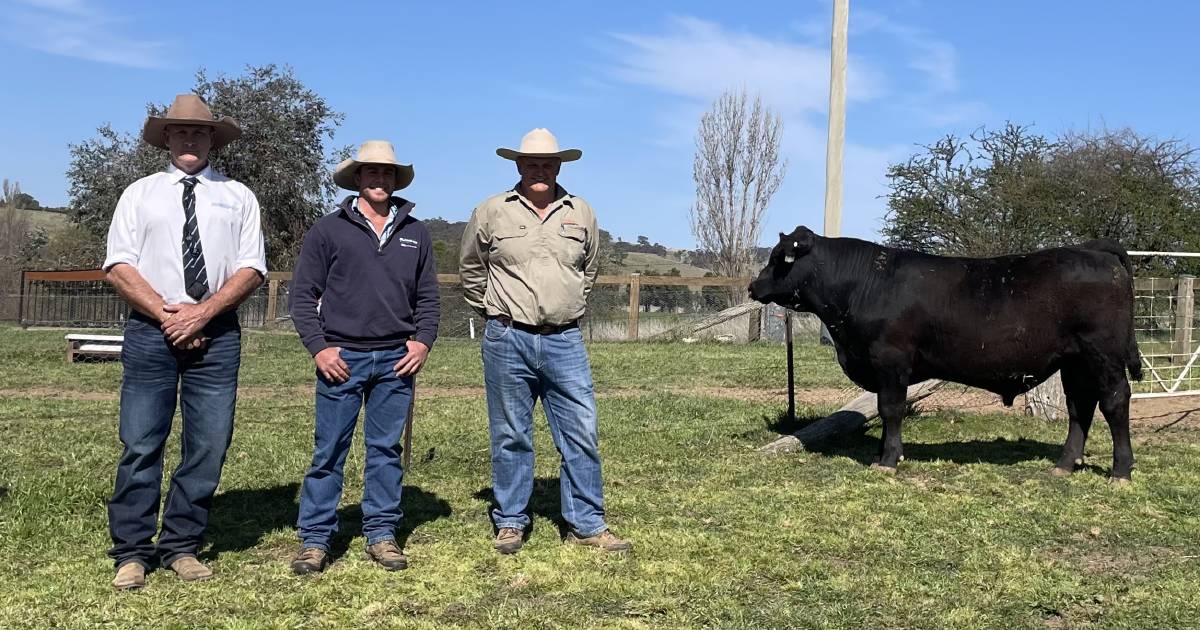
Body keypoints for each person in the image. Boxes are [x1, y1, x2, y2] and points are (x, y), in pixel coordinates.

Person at [103, 94, 266, 590]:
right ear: (166, 139)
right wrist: (167, 314)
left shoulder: (239, 196)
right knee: (140, 442)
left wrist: (201, 314)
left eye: (199, 132)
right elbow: (118, 264)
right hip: (151, 332)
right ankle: (132, 551)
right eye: (180, 132)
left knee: (208, 446)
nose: (190, 139)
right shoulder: (139, 194)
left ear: (213, 139)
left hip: (216, 334)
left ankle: (181, 545)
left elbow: (251, 268)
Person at [459, 128, 631, 554]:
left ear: (559, 167)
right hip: (506, 337)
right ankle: (511, 521)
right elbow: (470, 269)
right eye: (532, 163)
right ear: (518, 165)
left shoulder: (581, 212)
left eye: (548, 164)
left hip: (564, 340)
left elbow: (588, 271)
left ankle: (586, 523)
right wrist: (495, 313)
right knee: (511, 433)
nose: (540, 169)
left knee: (581, 432)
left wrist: (566, 306)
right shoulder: (491, 211)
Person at [288, 141, 440, 574]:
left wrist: (423, 341)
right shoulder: (328, 230)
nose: (379, 180)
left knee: (385, 449)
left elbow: (428, 296)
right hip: (343, 357)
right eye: (371, 172)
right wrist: (320, 348)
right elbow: (303, 295)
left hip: (396, 358)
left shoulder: (416, 232)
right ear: (357, 178)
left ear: (395, 181)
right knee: (329, 451)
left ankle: (381, 533)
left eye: (387, 173)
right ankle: (315, 540)